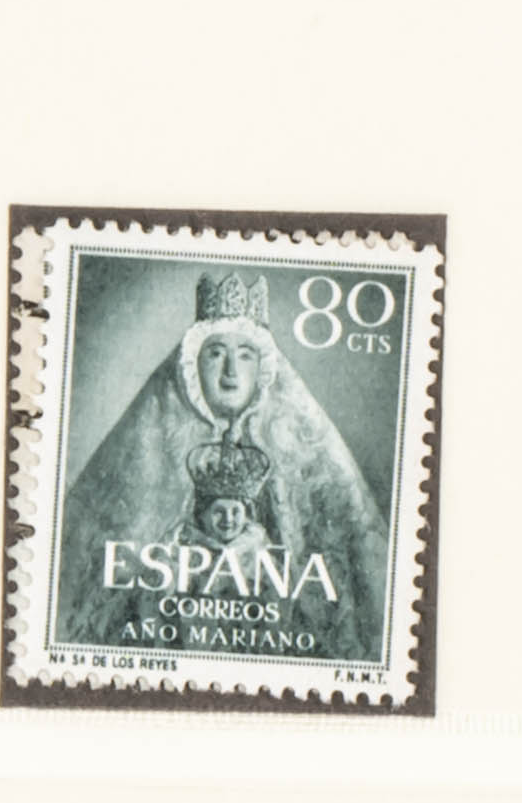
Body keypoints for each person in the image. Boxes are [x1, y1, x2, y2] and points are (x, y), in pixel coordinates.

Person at [51, 267, 386, 651]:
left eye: (245, 355)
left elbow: (346, 591)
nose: (230, 373)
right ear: (191, 365)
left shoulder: (309, 450)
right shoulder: (142, 447)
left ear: (264, 368)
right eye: (215, 354)